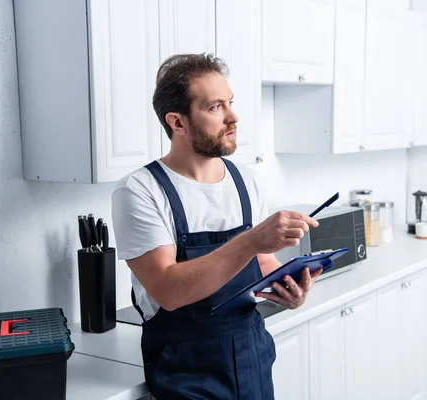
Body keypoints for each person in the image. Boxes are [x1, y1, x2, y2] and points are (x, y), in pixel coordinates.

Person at [111, 53, 322, 400]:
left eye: (231, 103)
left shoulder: (247, 183)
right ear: (177, 123)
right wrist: (252, 240)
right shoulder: (140, 191)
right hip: (186, 369)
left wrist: (288, 286)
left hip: (252, 352)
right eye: (215, 107)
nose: (233, 117)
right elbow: (168, 290)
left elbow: (260, 265)